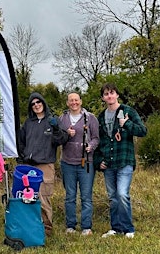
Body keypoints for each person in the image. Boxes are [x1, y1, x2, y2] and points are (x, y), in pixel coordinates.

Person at [94, 83, 147, 239]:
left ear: (117, 94)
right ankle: (115, 228)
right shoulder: (101, 116)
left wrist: (127, 124)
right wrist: (98, 161)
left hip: (124, 160)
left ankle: (128, 228)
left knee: (122, 194)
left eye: (112, 93)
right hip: (109, 163)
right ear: (103, 97)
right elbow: (99, 141)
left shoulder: (128, 111)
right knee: (113, 197)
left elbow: (143, 131)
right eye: (106, 94)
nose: (109, 96)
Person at [19, 92, 68, 237]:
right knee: (28, 197)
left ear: (43, 103)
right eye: (33, 104)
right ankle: (32, 227)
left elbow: (62, 139)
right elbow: (21, 142)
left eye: (38, 102)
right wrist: (23, 156)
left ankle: (46, 230)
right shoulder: (28, 123)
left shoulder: (52, 120)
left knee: (43, 197)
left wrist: (57, 129)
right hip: (29, 166)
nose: (36, 105)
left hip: (45, 165)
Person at [59, 92, 99, 236]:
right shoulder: (62, 119)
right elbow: (57, 138)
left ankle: (86, 227)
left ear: (80, 102)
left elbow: (96, 138)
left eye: (76, 100)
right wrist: (65, 134)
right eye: (71, 100)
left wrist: (91, 146)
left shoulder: (90, 118)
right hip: (67, 162)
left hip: (86, 164)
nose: (74, 102)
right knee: (70, 196)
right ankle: (70, 226)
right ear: (67, 103)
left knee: (86, 196)